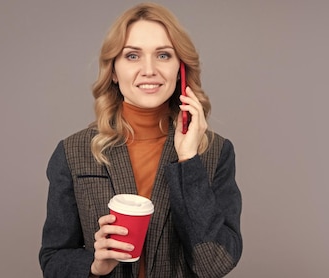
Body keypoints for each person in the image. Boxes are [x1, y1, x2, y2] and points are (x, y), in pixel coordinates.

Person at [38, 3, 243, 277]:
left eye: (163, 55)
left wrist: (188, 160)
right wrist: (94, 265)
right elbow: (53, 259)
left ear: (181, 68)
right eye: (132, 56)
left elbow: (213, 264)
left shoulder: (216, 152)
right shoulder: (73, 152)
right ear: (113, 70)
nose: (149, 70)